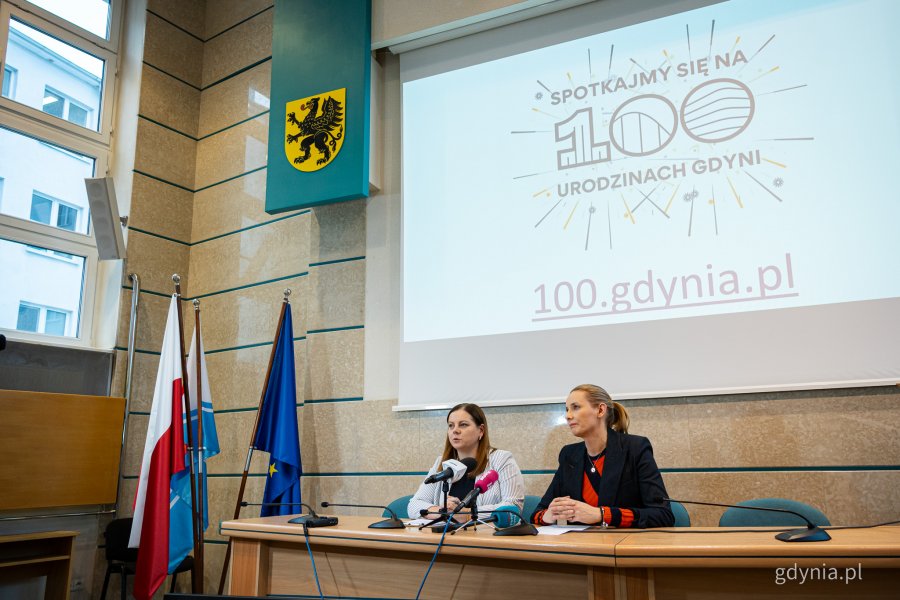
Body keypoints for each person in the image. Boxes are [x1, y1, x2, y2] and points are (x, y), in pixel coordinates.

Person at [532, 384, 674, 528]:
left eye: (575, 407)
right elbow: (537, 513)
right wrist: (550, 515)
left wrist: (600, 514)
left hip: (624, 545)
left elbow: (663, 515)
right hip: (581, 545)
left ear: (600, 410)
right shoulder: (569, 455)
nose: (568, 416)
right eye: (567, 409)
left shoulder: (636, 448)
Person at [408, 403, 525, 520]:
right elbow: (414, 505)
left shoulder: (501, 459)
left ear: (481, 430)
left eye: (463, 425)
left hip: (486, 535)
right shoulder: (442, 463)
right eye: (451, 426)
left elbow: (513, 507)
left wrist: (466, 514)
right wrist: (444, 512)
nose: (455, 431)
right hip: (446, 535)